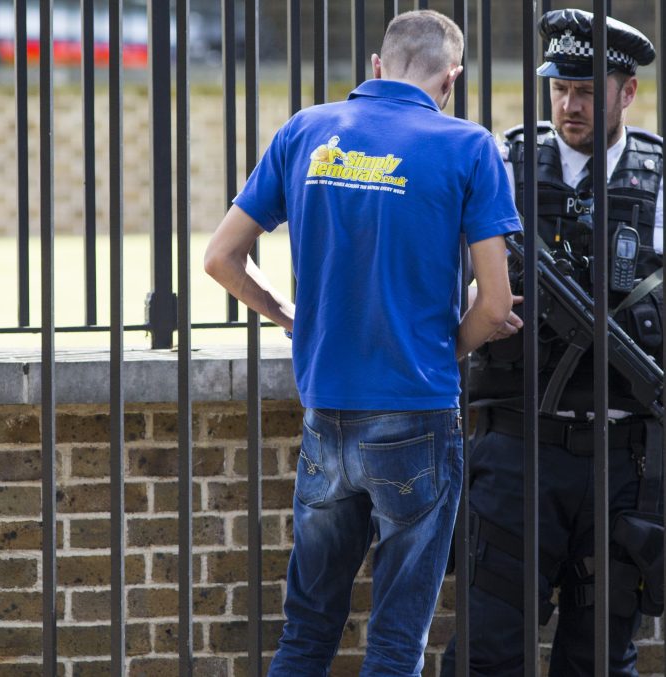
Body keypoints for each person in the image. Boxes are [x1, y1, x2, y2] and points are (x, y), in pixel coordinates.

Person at [441, 9, 666, 677]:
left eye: (588, 90)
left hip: (627, 463)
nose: (570, 104)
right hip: (516, 450)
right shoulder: (502, 166)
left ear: (628, 91)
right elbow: (446, 292)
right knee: (486, 652)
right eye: (560, 87)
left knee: (600, 656)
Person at [203, 10, 521, 676]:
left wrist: (287, 313)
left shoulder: (305, 131)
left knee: (307, 632)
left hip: (327, 413)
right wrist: (441, 350)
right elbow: (494, 305)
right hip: (418, 413)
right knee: (395, 641)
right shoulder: (469, 147)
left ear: (377, 66)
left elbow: (222, 257)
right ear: (451, 79)